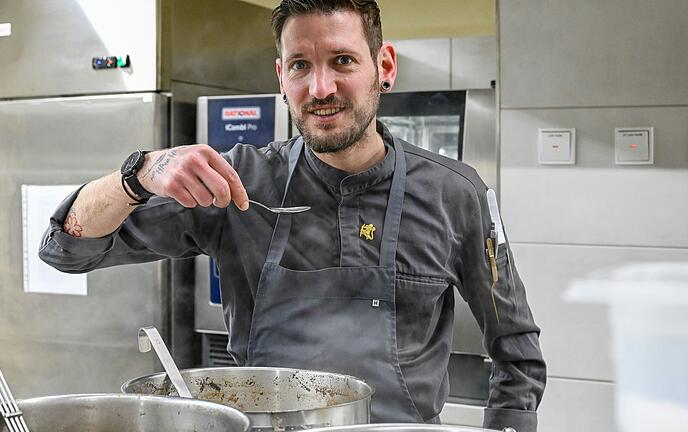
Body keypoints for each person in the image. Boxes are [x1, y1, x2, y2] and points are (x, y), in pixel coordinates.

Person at [40, 0, 545, 430]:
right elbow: (66, 249)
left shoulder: (456, 193)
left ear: (384, 67)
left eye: (343, 60)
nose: (320, 88)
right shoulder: (237, 183)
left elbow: (516, 351)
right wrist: (138, 174)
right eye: (300, 65)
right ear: (282, 77)